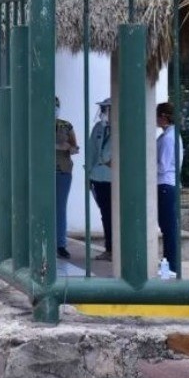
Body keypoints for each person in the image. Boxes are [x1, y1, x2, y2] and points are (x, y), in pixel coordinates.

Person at [157, 101, 184, 273]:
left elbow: (163, 166)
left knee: (168, 227)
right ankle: (169, 262)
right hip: (167, 184)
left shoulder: (168, 138)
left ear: (163, 117)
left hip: (166, 183)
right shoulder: (168, 135)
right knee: (167, 226)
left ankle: (172, 265)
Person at [86, 98, 114, 261]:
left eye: (107, 109)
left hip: (114, 179)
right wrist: (88, 175)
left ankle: (117, 248)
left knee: (115, 215)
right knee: (105, 214)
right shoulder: (98, 128)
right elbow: (91, 152)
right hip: (98, 178)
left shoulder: (122, 128)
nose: (103, 112)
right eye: (103, 109)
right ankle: (109, 248)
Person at [55, 97, 79, 259]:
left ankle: (60, 244)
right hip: (42, 171)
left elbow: (75, 148)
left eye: (56, 106)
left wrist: (68, 147)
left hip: (62, 171)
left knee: (60, 208)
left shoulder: (66, 125)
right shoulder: (35, 122)